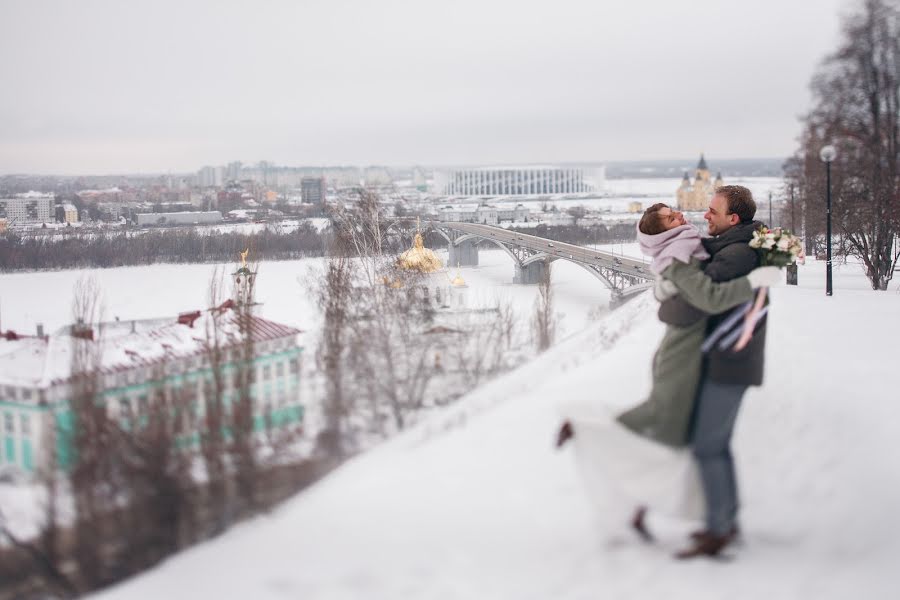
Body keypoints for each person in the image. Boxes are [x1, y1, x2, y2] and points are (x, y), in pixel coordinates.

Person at [557, 200, 779, 542]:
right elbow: (712, 298)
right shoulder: (678, 258)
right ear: (665, 232)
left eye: (674, 211)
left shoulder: (686, 246)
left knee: (672, 435)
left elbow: (707, 263)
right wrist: (754, 281)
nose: (681, 215)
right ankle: (587, 430)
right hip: (682, 356)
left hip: (691, 352)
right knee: (663, 422)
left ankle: (648, 507)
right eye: (671, 217)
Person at [660, 185, 769, 559]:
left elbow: (698, 303)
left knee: (707, 446)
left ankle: (719, 529)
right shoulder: (730, 246)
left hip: (728, 361)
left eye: (712, 211)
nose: (704, 215)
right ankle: (726, 519)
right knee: (715, 446)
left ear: (733, 219)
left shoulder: (736, 255)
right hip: (726, 359)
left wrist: (667, 300)